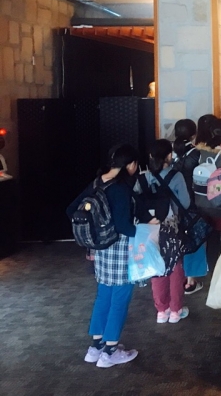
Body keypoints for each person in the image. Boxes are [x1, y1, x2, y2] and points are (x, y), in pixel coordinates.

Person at [66, 144, 140, 368]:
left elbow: (71, 210)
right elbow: (124, 226)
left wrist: (97, 230)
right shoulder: (121, 188)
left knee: (104, 296)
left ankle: (96, 346)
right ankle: (110, 351)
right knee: (120, 298)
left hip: (100, 249)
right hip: (119, 249)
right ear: (130, 164)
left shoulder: (97, 183)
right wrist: (145, 230)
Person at [137, 139, 192, 324]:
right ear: (169, 156)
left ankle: (162, 311)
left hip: (148, 228)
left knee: (155, 265)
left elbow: (134, 202)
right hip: (170, 226)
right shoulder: (176, 176)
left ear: (151, 156)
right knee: (175, 266)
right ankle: (176, 310)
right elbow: (185, 203)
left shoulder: (143, 178)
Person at [172, 118, 207, 295]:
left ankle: (176, 277)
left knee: (175, 239)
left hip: (172, 203)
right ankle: (190, 281)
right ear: (194, 135)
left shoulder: (170, 152)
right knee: (194, 238)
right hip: (192, 202)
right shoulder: (197, 154)